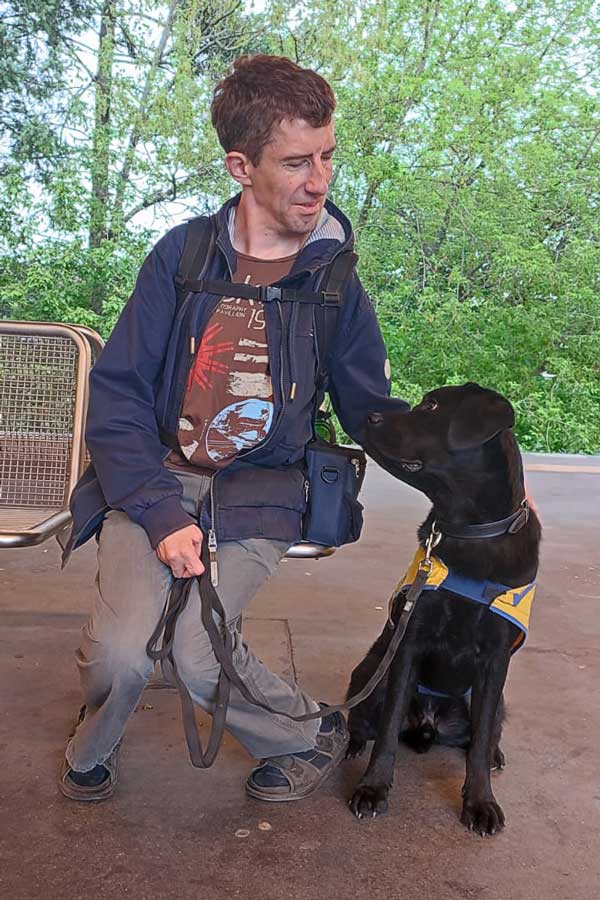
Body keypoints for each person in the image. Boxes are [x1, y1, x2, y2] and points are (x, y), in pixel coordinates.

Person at [59, 54, 408, 803]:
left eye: (328, 156)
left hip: (258, 492)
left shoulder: (334, 283)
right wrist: (155, 511)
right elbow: (116, 393)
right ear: (241, 167)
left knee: (198, 654)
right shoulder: (180, 257)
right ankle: (92, 739)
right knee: (121, 658)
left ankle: (302, 731)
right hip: (151, 478)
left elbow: (371, 411)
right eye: (295, 162)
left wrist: (483, 482)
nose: (319, 180)